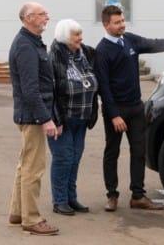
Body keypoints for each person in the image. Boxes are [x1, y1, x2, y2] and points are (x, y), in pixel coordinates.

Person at [94, 4, 164, 212]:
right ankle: (112, 195)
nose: (122, 25)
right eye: (117, 23)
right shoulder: (102, 51)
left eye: (123, 21)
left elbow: (154, 44)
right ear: (106, 25)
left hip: (135, 108)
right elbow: (103, 87)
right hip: (116, 112)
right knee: (112, 153)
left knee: (139, 152)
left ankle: (138, 196)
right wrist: (114, 115)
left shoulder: (130, 40)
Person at [7, 2, 61, 236]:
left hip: (31, 115)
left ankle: (18, 212)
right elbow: (30, 89)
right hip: (32, 117)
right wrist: (45, 119)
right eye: (42, 14)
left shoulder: (31, 42)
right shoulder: (25, 46)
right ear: (28, 18)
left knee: (25, 164)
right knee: (33, 168)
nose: (47, 17)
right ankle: (31, 219)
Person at [48, 19, 98, 216]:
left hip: (82, 118)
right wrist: (55, 120)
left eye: (80, 33)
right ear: (65, 37)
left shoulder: (86, 54)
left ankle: (71, 197)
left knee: (75, 159)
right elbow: (49, 92)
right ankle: (59, 201)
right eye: (76, 35)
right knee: (63, 158)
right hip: (63, 119)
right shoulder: (53, 58)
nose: (81, 38)